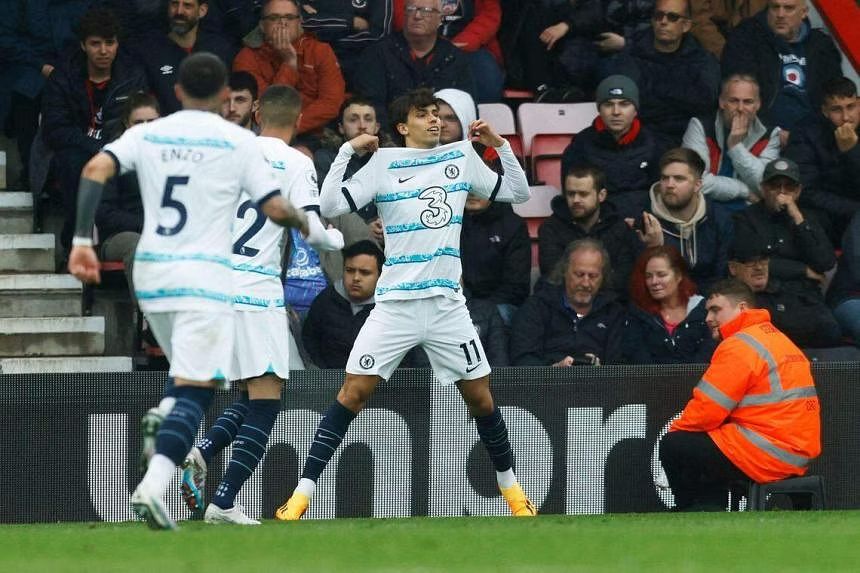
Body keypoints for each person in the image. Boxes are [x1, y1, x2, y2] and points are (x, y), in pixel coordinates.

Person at [67, 52, 308, 530]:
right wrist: (312, 227)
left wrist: (79, 240)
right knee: (217, 391)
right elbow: (279, 209)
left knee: (190, 380)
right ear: (226, 99)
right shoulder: (239, 146)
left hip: (154, 273)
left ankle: (169, 425)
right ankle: (173, 478)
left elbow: (93, 169)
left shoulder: (150, 134)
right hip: (217, 280)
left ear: (176, 91)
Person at [275, 87, 536, 520]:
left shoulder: (463, 157)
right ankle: (300, 496)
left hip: (448, 306)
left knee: (482, 399)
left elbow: (519, 193)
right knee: (352, 393)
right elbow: (328, 204)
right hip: (395, 306)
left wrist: (500, 146)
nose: (435, 120)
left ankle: (512, 491)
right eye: (424, 114)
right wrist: (346, 151)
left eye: (437, 114)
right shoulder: (382, 164)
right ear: (402, 126)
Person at [179, 84, 344, 525]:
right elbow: (312, 227)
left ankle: (202, 453)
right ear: (299, 117)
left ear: (256, 112)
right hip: (256, 289)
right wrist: (340, 238)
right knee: (268, 397)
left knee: (250, 392)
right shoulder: (295, 162)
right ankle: (223, 501)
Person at [660, 278, 821, 511]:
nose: (708, 318)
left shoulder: (739, 345)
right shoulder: (777, 338)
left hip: (766, 452)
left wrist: (678, 429)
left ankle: (695, 510)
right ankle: (707, 506)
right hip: (794, 450)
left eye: (716, 310)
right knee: (712, 443)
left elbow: (707, 410)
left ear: (742, 308)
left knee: (676, 444)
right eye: (707, 311)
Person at [41, 6, 148, 253]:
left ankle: (115, 237)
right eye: (95, 43)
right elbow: (55, 129)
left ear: (117, 43)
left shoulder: (132, 76)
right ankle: (75, 241)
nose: (103, 51)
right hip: (76, 152)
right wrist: (96, 147)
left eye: (109, 43)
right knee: (72, 162)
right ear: (83, 46)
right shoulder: (64, 77)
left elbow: (140, 119)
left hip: (120, 149)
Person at [721, 0, 842, 142]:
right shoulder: (746, 37)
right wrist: (771, 133)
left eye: (788, 8)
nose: (780, 14)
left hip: (813, 139)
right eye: (775, 7)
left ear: (804, 12)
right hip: (760, 136)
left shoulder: (822, 45)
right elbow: (737, 96)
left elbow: (835, 97)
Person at [608, 0, 720, 146]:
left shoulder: (702, 59)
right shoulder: (632, 55)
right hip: (644, 138)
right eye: (658, 16)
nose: (663, 22)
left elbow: (706, 101)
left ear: (686, 25)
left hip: (690, 137)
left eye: (672, 17)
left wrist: (656, 88)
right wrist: (680, 95)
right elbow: (631, 103)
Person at [353, 0, 478, 126]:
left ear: (440, 19)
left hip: (441, 137)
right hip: (392, 136)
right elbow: (370, 106)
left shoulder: (454, 57)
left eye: (426, 11)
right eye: (411, 9)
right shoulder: (378, 53)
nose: (417, 16)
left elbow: (467, 108)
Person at [233, 0, 346, 135]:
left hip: (312, 133)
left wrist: (291, 127)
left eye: (290, 17)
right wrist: (289, 64)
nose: (283, 23)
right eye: (274, 18)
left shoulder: (320, 51)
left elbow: (331, 103)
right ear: (262, 25)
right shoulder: (246, 57)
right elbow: (271, 107)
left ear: (300, 22)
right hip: (263, 131)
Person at [630, 147, 734, 292]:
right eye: (665, 178)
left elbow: (721, 276)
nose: (669, 185)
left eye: (679, 178)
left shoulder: (719, 218)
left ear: (697, 185)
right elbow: (639, 283)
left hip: (708, 302)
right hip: (660, 302)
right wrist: (653, 250)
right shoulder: (644, 220)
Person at [510, 239, 626, 367]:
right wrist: (554, 369)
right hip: (546, 384)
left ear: (603, 277)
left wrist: (601, 370)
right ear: (565, 271)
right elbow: (522, 360)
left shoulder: (614, 313)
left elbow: (621, 364)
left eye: (593, 276)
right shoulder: (536, 308)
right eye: (579, 274)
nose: (585, 283)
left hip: (599, 385)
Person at [560, 75, 664, 216]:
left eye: (624, 104)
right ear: (599, 109)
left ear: (635, 110)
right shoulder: (580, 145)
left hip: (643, 222)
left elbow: (661, 195)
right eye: (608, 104)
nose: (616, 112)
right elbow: (574, 196)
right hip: (597, 225)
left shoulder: (654, 143)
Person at [732, 157, 835, 300]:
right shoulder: (745, 218)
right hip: (763, 293)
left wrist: (798, 219)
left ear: (798, 191)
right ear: (763, 189)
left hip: (805, 296)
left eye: (789, 187)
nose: (782, 192)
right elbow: (751, 262)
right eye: (775, 185)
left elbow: (826, 262)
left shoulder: (808, 218)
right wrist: (802, 270)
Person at [94, 92, 160, 306]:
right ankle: (149, 322)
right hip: (118, 237)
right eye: (138, 123)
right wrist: (147, 225)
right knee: (138, 245)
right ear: (126, 124)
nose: (145, 128)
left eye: (151, 122)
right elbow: (103, 213)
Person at [538, 164, 635, 299]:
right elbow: (553, 275)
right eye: (571, 194)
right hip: (561, 304)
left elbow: (624, 277)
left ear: (601, 195)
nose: (576, 200)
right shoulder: (550, 228)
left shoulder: (619, 228)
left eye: (583, 194)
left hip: (611, 305)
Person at [682, 74, 781, 206]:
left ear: (757, 105)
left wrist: (735, 147)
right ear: (722, 102)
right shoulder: (700, 126)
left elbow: (765, 186)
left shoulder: (770, 134)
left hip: (749, 212)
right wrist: (743, 191)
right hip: (705, 205)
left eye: (748, 102)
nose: (740, 108)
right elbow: (692, 180)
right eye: (733, 101)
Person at [785, 76, 860, 244]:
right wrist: (856, 210)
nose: (846, 117)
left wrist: (852, 152)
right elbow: (805, 191)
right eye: (836, 110)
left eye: (851, 107)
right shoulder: (805, 132)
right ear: (825, 111)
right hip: (828, 214)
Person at [728, 237, 841, 348]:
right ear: (733, 268)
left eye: (763, 260)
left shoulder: (788, 291)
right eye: (750, 262)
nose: (759, 267)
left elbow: (830, 329)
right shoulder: (724, 300)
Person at [130, 0, 235, 115]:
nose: (179, 11)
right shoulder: (149, 52)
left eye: (187, 5)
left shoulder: (219, 50)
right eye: (174, 4)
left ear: (202, 10)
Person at [392, 0, 505, 103]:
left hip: (470, 48)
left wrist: (465, 42)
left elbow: (489, 14)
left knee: (487, 80)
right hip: (420, 45)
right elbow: (403, 14)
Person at [623, 245, 716, 364]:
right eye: (648, 276)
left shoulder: (704, 310)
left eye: (661, 275)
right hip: (649, 381)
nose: (654, 282)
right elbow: (638, 359)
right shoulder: (638, 313)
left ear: (678, 276)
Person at [303, 240, 386, 368]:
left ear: (380, 276)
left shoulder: (389, 308)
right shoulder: (325, 301)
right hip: (327, 382)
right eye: (350, 270)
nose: (356, 278)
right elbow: (309, 343)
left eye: (365, 272)